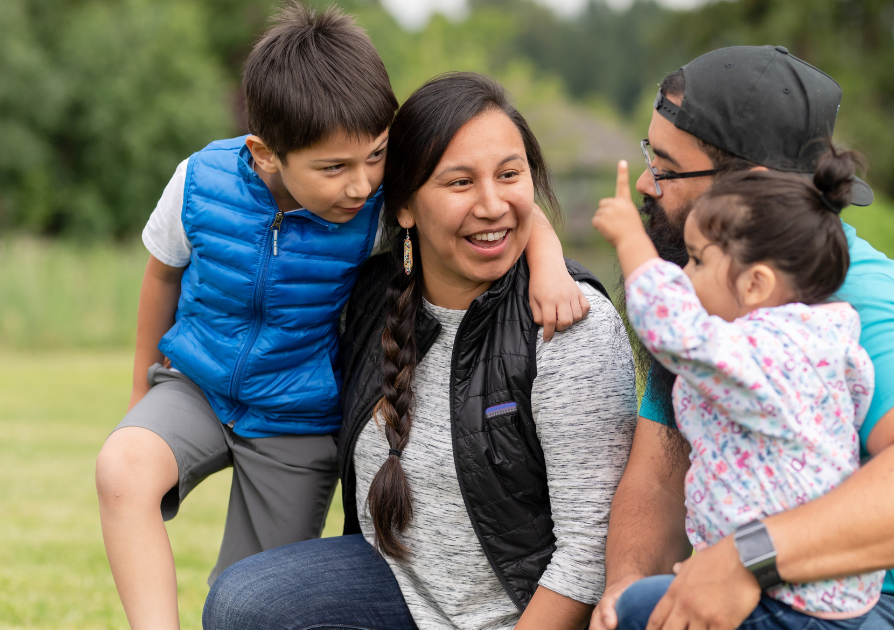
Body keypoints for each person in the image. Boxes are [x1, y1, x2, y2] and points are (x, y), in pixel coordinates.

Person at [93, 6, 589, 629]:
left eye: (376, 156)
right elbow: (161, 273)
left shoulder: (379, 201)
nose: (360, 185)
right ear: (266, 154)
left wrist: (548, 266)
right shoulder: (199, 183)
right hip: (196, 382)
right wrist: (142, 388)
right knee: (122, 467)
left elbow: (504, 202)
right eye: (334, 168)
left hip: (296, 415)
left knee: (249, 597)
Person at [590, 45, 894, 630]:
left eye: (669, 168)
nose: (648, 184)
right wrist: (625, 593)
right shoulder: (702, 295)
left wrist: (746, 561)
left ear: (747, 189)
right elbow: (657, 477)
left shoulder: (851, 292)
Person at [202, 72, 638, 630]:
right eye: (459, 183)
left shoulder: (566, 322)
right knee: (244, 602)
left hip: (520, 614)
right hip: (400, 593)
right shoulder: (369, 299)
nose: (492, 204)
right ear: (405, 206)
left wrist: (545, 246)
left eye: (510, 174)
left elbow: (587, 557)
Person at [594, 146, 883, 629]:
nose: (683, 276)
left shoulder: (771, 352)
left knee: (637, 612)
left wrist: (631, 242)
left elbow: (676, 329)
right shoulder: (818, 341)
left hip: (788, 602)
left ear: (755, 285)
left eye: (696, 261)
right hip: (819, 593)